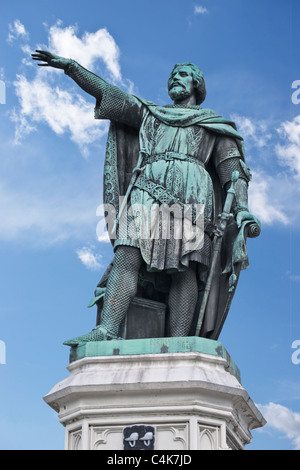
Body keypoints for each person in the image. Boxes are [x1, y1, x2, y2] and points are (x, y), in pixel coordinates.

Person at [32, 51, 259, 344]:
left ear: (196, 85)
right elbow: (109, 93)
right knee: (127, 253)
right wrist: (73, 69)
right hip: (147, 186)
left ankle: (179, 341)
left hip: (192, 197)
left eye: (182, 74)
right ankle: (107, 330)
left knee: (184, 266)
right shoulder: (149, 113)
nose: (174, 78)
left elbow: (232, 171)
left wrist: (241, 208)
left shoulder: (214, 124)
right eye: (172, 74)